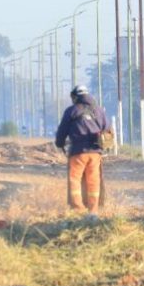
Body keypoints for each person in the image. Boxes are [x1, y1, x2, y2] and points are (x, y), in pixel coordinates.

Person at [55, 85, 109, 215]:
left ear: (75, 97)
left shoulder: (71, 111)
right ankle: (93, 211)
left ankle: (78, 210)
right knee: (93, 181)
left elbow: (62, 131)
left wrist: (60, 143)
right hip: (95, 153)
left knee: (75, 180)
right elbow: (107, 131)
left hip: (78, 152)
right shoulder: (99, 110)